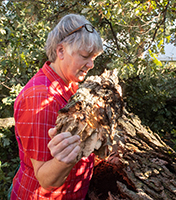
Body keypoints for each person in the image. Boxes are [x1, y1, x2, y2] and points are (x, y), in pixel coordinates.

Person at [10, 13, 103, 199]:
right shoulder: (39, 99)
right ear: (60, 51)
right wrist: (67, 159)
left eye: (94, 57)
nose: (91, 64)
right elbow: (47, 179)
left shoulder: (71, 85)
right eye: (85, 56)